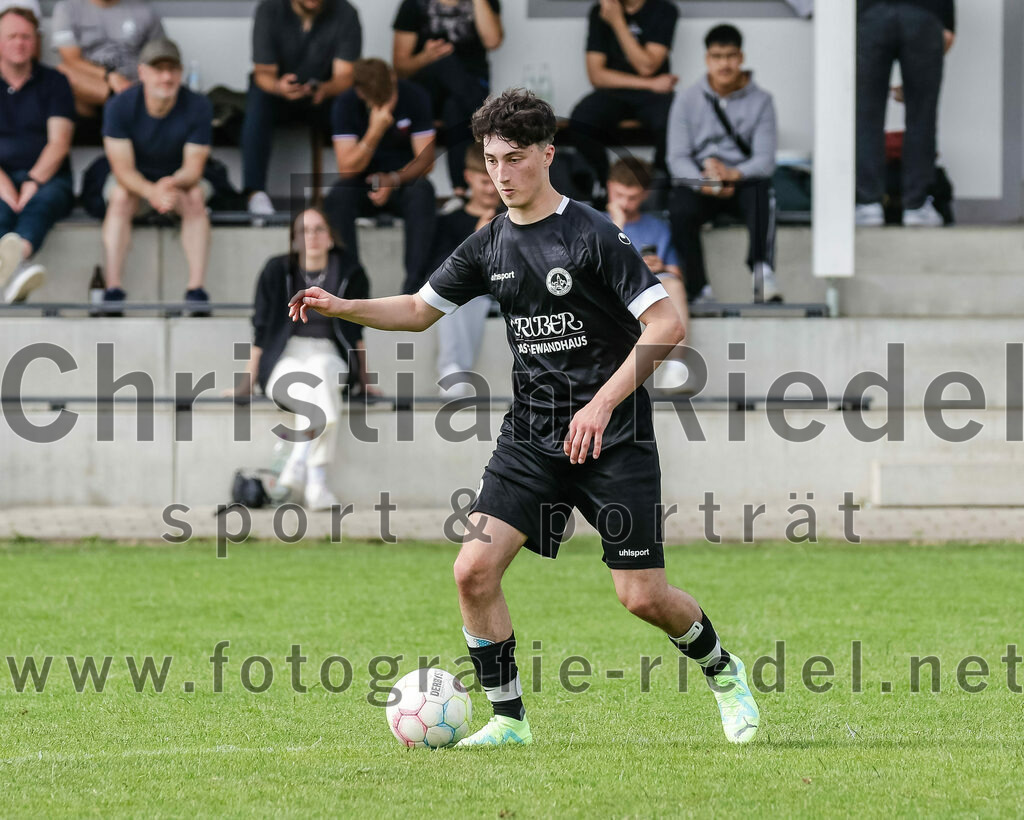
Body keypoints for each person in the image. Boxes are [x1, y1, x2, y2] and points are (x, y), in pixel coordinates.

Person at [289, 89, 760, 747]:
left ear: (547, 154)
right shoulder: (490, 244)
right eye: (490, 161)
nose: (501, 175)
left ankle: (723, 669)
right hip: (533, 435)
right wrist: (341, 306)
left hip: (612, 436)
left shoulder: (592, 233)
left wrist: (601, 403)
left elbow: (665, 324)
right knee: (472, 572)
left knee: (641, 596)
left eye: (513, 159)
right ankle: (509, 721)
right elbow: (421, 310)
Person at [230, 207, 371, 510]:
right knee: (317, 393)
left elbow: (357, 329)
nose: (312, 237)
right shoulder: (276, 270)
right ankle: (316, 482)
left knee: (321, 372)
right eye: (304, 231)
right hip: (285, 354)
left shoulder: (350, 272)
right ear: (294, 239)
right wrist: (247, 380)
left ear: (331, 237)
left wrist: (365, 378)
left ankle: (297, 461)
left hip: (328, 352)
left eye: (319, 229)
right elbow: (262, 328)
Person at [666, 24, 781, 303]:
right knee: (678, 205)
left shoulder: (762, 101)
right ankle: (699, 289)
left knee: (762, 191)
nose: (724, 64)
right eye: (717, 56)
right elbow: (676, 157)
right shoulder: (686, 99)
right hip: (702, 183)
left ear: (741, 57)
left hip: (742, 182)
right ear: (707, 59)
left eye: (730, 56)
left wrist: (733, 174)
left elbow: (765, 160)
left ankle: (762, 274)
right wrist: (704, 182)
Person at [98, 38, 213, 308]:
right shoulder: (119, 106)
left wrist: (171, 184)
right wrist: (152, 191)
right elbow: (122, 170)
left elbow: (194, 168)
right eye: (157, 68)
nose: (165, 76)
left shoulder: (198, 105)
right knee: (119, 197)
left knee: (195, 196)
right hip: (136, 182)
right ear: (141, 72)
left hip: (178, 181)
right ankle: (113, 289)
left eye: (171, 68)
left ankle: (196, 291)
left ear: (181, 72)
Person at [325, 58, 436, 296]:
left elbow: (426, 161)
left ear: (393, 79)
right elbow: (347, 169)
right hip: (361, 182)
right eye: (377, 100)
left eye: (389, 96)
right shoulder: (345, 104)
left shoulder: (415, 96)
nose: (385, 104)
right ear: (360, 92)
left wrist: (393, 180)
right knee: (337, 195)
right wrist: (375, 131)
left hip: (402, 181)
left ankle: (415, 288)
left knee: (423, 191)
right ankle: (351, 283)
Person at [243, 0, 363, 218]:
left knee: (354, 97)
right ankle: (255, 193)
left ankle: (358, 193)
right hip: (278, 98)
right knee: (257, 94)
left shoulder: (346, 12)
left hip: (323, 99)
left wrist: (324, 89)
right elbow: (263, 72)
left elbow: (345, 76)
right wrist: (279, 87)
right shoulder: (269, 9)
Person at [855, 0, 955, 227]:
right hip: (925, 12)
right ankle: (917, 206)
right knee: (922, 115)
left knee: (866, 116)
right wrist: (949, 23)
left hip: (871, 14)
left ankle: (868, 204)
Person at [0, 7, 75, 304]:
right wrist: (4, 186)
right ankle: (19, 270)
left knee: (44, 202)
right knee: (0, 210)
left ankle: (15, 264)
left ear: (36, 42)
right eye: (11, 36)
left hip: (48, 177)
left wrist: (32, 181)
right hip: (1, 178)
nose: (19, 43)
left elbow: (59, 143)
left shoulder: (55, 82)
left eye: (26, 37)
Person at [392, 0, 502, 198]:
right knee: (445, 62)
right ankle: (490, 120)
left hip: (468, 91)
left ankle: (458, 193)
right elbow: (400, 67)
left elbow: (493, 41)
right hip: (428, 95)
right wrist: (426, 57)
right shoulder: (413, 4)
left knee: (454, 108)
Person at [568, 0, 679, 192]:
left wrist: (618, 21)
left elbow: (646, 66)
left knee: (673, 121)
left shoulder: (664, 10)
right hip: (615, 92)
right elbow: (596, 75)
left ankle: (656, 190)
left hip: (653, 96)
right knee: (582, 120)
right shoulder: (600, 11)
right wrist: (651, 83)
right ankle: (605, 186)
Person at [605, 158, 690, 392]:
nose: (626, 203)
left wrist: (658, 266)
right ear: (609, 187)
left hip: (647, 290)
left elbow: (676, 273)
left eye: (633, 197)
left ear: (645, 195)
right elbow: (593, 268)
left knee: (672, 284)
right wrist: (618, 225)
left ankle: (676, 366)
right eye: (620, 195)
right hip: (608, 291)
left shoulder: (657, 227)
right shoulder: (594, 221)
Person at [430, 142, 502, 400]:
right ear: (468, 177)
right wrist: (476, 238)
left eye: (495, 181)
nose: (492, 189)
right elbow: (440, 272)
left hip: (511, 294)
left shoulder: (515, 217)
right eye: (484, 181)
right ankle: (454, 373)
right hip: (473, 298)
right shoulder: (450, 222)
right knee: (454, 299)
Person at [52, 0, 165, 119]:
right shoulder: (68, 8)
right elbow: (71, 60)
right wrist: (109, 76)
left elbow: (161, 55)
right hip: (94, 83)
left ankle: (129, 101)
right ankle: (126, 101)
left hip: (134, 82)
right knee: (62, 72)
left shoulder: (144, 11)